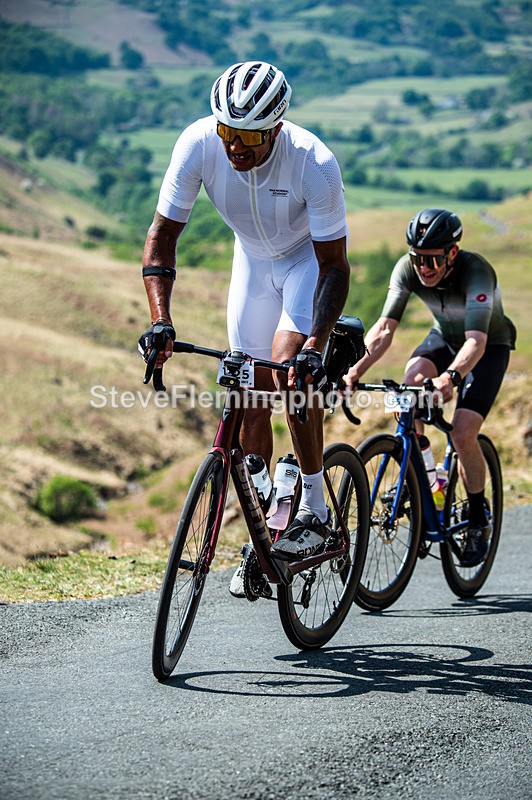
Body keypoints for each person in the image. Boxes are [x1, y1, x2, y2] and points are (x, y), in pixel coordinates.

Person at [138, 61, 351, 578]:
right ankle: (265, 525)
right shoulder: (197, 143)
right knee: (248, 394)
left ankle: (316, 508)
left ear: (276, 128)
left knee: (287, 372)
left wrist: (314, 345)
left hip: (306, 264)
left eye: (249, 137)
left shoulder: (313, 162)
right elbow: (162, 236)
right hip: (252, 261)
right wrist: (161, 320)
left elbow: (334, 268)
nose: (235, 146)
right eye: (228, 132)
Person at [344, 208, 516, 567]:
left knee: (463, 433)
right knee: (408, 389)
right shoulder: (407, 268)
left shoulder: (477, 271)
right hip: (443, 337)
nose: (423, 267)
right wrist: (355, 370)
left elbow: (476, 342)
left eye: (432, 259)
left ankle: (477, 516)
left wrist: (451, 378)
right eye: (417, 258)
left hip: (486, 346)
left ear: (452, 253)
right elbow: (385, 329)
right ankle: (422, 474)